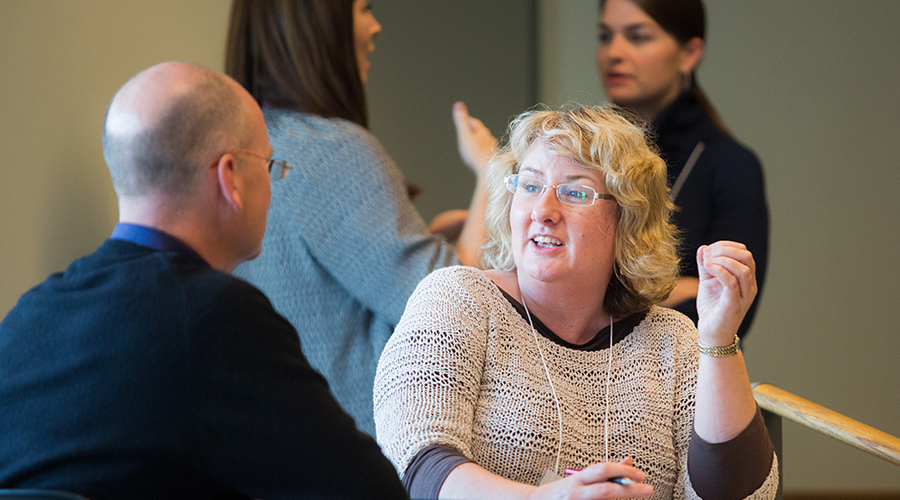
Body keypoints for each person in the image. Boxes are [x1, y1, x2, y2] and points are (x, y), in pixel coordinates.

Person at [0, 62, 406, 500]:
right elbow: (369, 491)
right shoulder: (215, 316)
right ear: (230, 177)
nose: (273, 185)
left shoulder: (26, 318)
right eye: (270, 166)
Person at [374, 106, 778, 499]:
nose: (543, 211)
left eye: (574, 192)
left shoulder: (671, 340)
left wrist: (718, 339)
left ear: (627, 216)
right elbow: (416, 462)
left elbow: (740, 494)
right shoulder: (458, 300)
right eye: (530, 186)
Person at [225, 0, 496, 436]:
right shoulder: (330, 150)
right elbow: (457, 308)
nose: (376, 27)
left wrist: (419, 241)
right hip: (361, 451)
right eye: (364, 8)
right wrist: (491, 171)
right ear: (319, 23)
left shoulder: (242, 149)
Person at [597, 0, 769, 338]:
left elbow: (727, 308)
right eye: (605, 36)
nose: (613, 52)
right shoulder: (584, 154)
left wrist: (607, 296)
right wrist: (677, 288)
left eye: (637, 37)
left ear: (689, 54)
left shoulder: (730, 165)